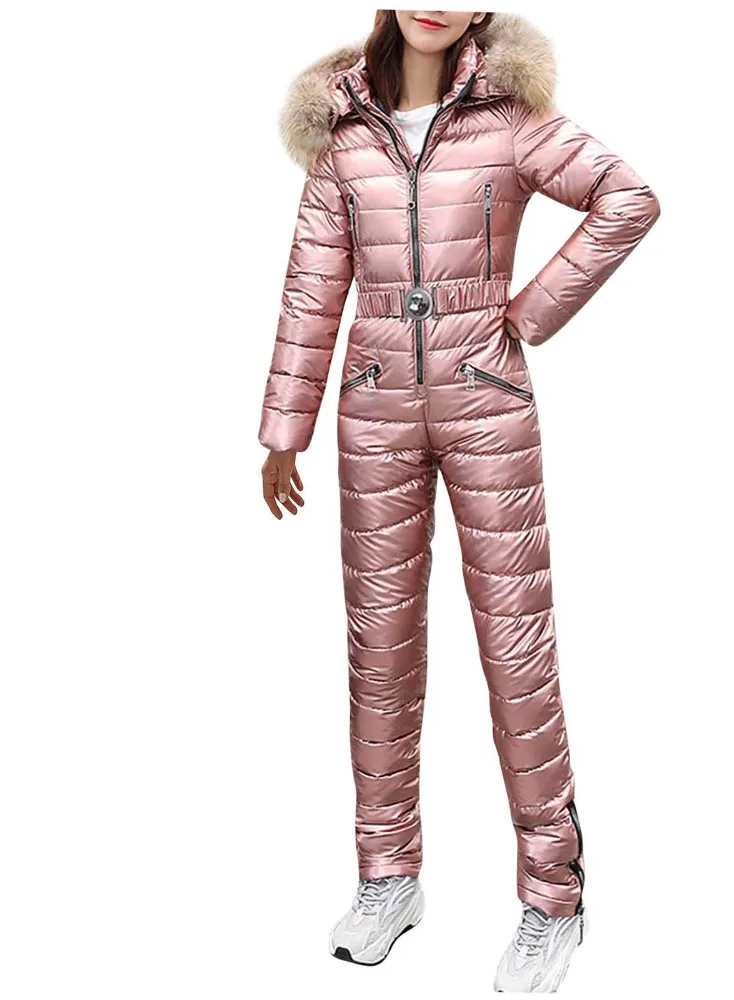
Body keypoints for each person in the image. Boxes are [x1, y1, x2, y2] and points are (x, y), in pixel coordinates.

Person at [259, 10, 660, 993]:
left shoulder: (510, 117)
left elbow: (626, 197)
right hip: (374, 407)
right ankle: (386, 877)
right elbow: (313, 285)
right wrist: (284, 428)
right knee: (380, 644)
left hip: (488, 401)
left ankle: (553, 896)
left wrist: (527, 313)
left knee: (516, 648)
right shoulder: (344, 130)